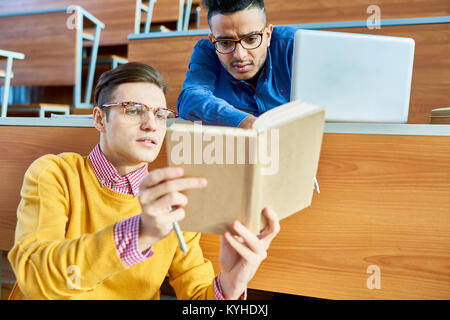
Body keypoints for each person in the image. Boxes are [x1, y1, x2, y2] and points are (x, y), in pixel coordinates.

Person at [7, 62, 280, 300]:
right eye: (134, 109)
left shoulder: (174, 202)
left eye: (161, 114)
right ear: (100, 119)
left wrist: (230, 287)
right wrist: (140, 233)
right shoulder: (55, 173)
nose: (152, 124)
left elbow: (198, 296)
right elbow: (35, 277)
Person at [177, 0, 296, 129]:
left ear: (268, 35)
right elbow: (190, 99)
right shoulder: (207, 51)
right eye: (225, 43)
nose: (240, 55)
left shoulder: (295, 44)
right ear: (213, 41)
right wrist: (248, 123)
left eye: (251, 39)